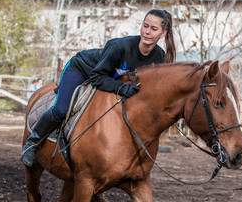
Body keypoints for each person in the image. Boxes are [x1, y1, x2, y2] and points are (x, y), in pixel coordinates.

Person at [21, 9, 176, 167]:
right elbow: (97, 77)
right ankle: (33, 143)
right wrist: (121, 88)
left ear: (162, 34)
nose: (147, 32)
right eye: (145, 26)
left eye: (153, 29)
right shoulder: (120, 46)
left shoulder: (159, 57)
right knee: (61, 109)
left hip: (107, 80)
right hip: (82, 69)